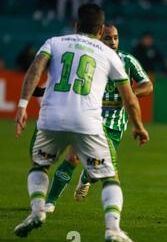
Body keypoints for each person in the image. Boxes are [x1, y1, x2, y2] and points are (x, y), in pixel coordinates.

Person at [14, 4, 149, 242]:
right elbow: (129, 97)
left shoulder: (54, 42)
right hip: (87, 120)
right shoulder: (108, 54)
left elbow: (34, 71)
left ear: (75, 26)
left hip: (51, 117)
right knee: (110, 176)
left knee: (40, 164)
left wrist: (23, 105)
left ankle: (37, 211)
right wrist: (138, 125)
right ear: (100, 31)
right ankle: (112, 229)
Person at [43, 23, 153, 213]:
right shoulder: (88, 60)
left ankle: (86, 179)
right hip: (89, 118)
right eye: (108, 38)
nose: (113, 42)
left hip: (115, 125)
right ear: (99, 38)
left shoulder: (127, 61)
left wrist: (130, 93)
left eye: (116, 38)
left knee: (98, 170)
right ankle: (50, 202)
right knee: (73, 157)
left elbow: (148, 85)